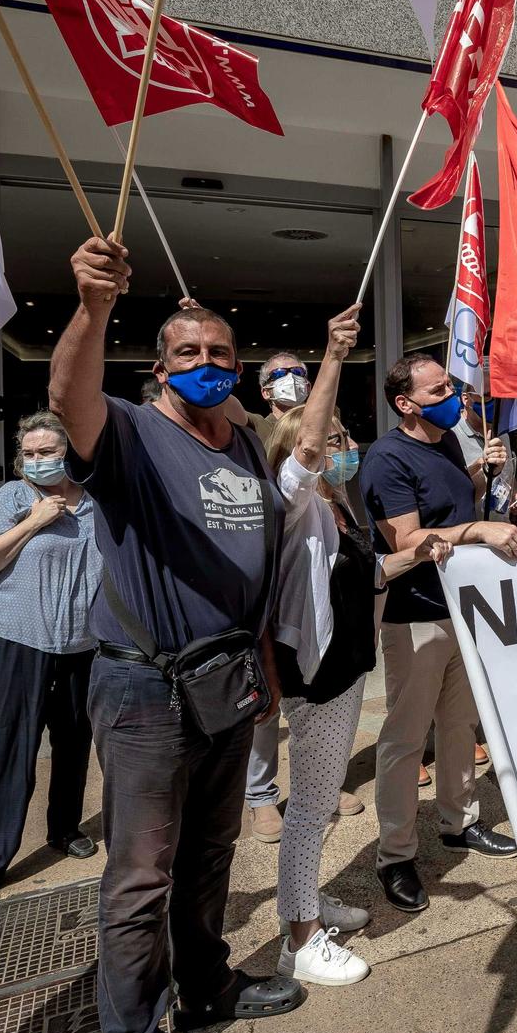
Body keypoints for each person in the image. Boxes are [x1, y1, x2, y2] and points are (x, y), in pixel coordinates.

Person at [49, 236, 306, 1033]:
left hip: (227, 681)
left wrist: (264, 671)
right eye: (188, 352)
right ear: (160, 368)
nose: (208, 362)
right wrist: (93, 309)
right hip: (146, 690)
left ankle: (208, 985)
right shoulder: (124, 432)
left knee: (210, 852)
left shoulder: (237, 443)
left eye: (221, 352)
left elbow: (256, 568)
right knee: (140, 878)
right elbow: (67, 394)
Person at [264, 305, 446, 986]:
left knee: (318, 801)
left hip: (346, 669)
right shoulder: (294, 498)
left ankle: (308, 903)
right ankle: (299, 939)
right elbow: (307, 450)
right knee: (311, 806)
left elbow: (367, 572)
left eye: (346, 435)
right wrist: (334, 358)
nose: (342, 445)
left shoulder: (337, 504)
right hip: (316, 675)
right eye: (331, 436)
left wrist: (425, 548)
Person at [360, 354, 517, 914]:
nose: (452, 394)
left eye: (450, 384)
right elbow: (406, 539)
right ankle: (396, 854)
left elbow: (452, 503)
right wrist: (478, 528)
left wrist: (481, 476)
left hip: (463, 607)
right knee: (406, 738)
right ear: (405, 403)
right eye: (438, 389)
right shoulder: (385, 459)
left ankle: (459, 821)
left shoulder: (450, 441)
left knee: (459, 724)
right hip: (416, 614)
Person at [0, 411, 99, 919]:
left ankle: (65, 827)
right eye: (31, 453)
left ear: (70, 452)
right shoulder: (13, 499)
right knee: (10, 746)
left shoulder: (96, 503)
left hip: (81, 643)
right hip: (16, 638)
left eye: (49, 451)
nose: (39, 460)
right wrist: (35, 522)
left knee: (75, 739)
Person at [243, 352, 310, 842]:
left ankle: (313, 786)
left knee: (312, 693)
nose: (295, 381)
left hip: (309, 573)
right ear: (264, 390)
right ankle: (261, 795)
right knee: (266, 696)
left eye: (300, 372)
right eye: (282, 376)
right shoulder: (248, 426)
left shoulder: (323, 423)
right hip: (266, 571)